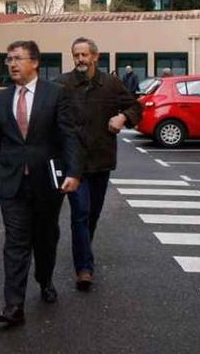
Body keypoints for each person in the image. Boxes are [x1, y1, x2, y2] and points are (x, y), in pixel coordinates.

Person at [0, 40, 80, 327]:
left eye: (17, 59)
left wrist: (73, 173)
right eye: (8, 59)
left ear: (35, 62)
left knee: (45, 238)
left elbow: (68, 136)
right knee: (15, 242)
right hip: (11, 182)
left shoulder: (56, 94)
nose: (11, 64)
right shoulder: (2, 98)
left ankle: (44, 278)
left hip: (47, 181)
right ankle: (14, 305)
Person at [55, 37, 142, 291]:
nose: (80, 59)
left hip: (101, 161)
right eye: (76, 55)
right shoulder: (63, 84)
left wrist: (123, 117)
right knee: (80, 212)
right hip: (74, 164)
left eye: (84, 55)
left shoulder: (111, 84)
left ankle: (84, 249)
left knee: (92, 214)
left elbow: (136, 106)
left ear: (95, 56)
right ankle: (84, 268)